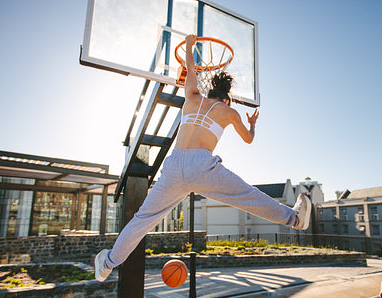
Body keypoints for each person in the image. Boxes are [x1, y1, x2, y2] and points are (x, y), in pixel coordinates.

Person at [94, 34, 311, 282]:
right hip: (202, 166)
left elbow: (191, 69)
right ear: (226, 97)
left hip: (174, 166)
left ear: (210, 90)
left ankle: (108, 263)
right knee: (247, 197)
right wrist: (251, 125)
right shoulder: (229, 112)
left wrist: (189, 46)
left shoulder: (192, 97)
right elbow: (249, 140)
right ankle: (294, 219)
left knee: (143, 219)